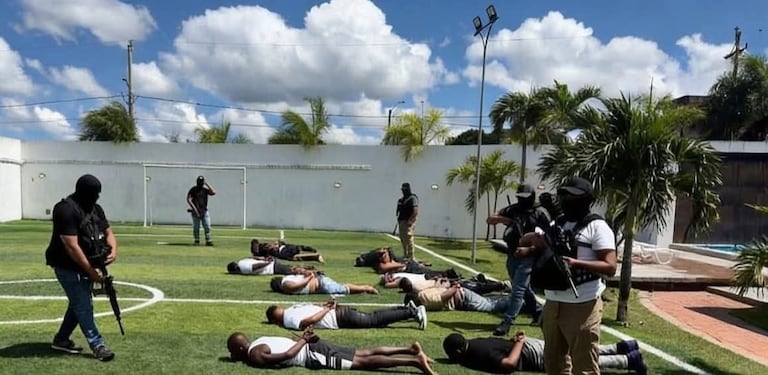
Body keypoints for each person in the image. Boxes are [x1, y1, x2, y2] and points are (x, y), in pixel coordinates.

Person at [525, 177, 618, 374]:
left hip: (583, 304)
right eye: (564, 194)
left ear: (586, 199)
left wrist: (577, 263)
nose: (567, 199)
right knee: (553, 361)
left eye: (573, 196)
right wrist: (534, 242)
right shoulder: (556, 222)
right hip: (553, 301)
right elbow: (530, 241)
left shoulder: (597, 227)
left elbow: (610, 267)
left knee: (584, 364)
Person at [45, 174, 116, 362]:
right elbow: (71, 246)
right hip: (66, 265)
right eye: (94, 193)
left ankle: (61, 339)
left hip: (88, 263)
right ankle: (98, 345)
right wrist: (91, 272)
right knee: (84, 306)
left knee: (78, 303)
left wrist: (113, 250)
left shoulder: (96, 208)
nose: (97, 197)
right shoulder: (64, 210)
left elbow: (108, 231)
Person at [486, 184, 551, 336]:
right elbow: (490, 219)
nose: (522, 200)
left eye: (525, 197)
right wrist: (505, 220)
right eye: (520, 197)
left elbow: (548, 239)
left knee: (518, 289)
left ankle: (508, 321)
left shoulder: (539, 213)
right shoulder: (513, 209)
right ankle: (537, 313)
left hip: (529, 255)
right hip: (512, 253)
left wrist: (530, 249)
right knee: (522, 287)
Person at [226, 329, 437, 374]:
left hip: (311, 354)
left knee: (361, 363)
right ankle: (410, 350)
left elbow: (288, 355)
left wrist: (303, 339)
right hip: (314, 346)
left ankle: (414, 361)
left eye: (232, 351)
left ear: (240, 349)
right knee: (363, 353)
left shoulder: (254, 355)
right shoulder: (261, 338)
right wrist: (305, 339)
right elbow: (286, 343)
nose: (232, 355)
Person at [442, 332, 647, 374]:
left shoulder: (477, 355)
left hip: (530, 354)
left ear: (459, 351)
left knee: (577, 363)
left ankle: (629, 359)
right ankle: (624, 347)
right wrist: (518, 341)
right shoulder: (476, 342)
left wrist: (519, 344)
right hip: (531, 345)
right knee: (579, 352)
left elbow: (509, 364)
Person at [265, 299, 428, 330]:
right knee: (374, 317)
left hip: (338, 317)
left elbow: (309, 321)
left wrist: (326, 309)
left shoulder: (288, 320)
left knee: (374, 320)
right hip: (339, 312)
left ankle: (411, 312)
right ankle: (405, 308)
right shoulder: (292, 308)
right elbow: (312, 305)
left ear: (274, 320)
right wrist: (327, 305)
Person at [405, 281, 510, 314]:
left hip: (463, 298)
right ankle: (511, 296)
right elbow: (439, 290)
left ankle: (517, 301)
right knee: (489, 299)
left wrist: (455, 287)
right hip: (462, 296)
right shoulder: (423, 293)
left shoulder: (425, 299)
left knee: (490, 306)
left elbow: (444, 297)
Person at [383, 272, 510, 296]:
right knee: (476, 288)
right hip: (447, 286)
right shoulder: (417, 288)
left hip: (446, 284)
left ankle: (499, 285)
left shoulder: (415, 288)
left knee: (475, 285)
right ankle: (501, 286)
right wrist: (439, 280)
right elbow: (435, 287)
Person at [269, 270, 379, 295]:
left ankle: (366, 288)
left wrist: (310, 276)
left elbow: (298, 286)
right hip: (319, 283)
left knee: (343, 289)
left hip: (320, 284)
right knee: (342, 288)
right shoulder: (287, 278)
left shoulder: (285, 285)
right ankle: (364, 288)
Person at [186, 175, 216, 246]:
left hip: (204, 211)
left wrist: (207, 184)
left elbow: (213, 192)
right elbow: (189, 200)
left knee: (207, 226)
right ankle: (197, 240)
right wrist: (195, 210)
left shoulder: (205, 190)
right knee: (196, 227)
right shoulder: (193, 190)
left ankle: (208, 240)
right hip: (195, 212)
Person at [396, 182, 419, 260]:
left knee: (409, 238)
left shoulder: (412, 198)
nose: (403, 191)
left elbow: (415, 210)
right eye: (403, 189)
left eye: (405, 189)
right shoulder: (402, 199)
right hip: (402, 221)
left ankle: (411, 256)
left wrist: (411, 221)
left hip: (409, 221)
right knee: (403, 238)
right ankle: (405, 254)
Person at [251, 239, 324, 263]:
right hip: (285, 252)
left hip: (284, 252)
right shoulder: (272, 250)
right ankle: (315, 256)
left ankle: (315, 256)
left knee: (296, 251)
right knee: (296, 251)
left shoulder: (272, 249)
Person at [226, 256, 315, 276]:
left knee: (291, 271)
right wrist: (263, 258)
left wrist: (267, 262)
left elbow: (255, 266)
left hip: (271, 267)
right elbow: (253, 258)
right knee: (290, 268)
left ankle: (311, 272)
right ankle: (308, 268)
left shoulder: (243, 269)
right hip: (272, 265)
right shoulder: (242, 261)